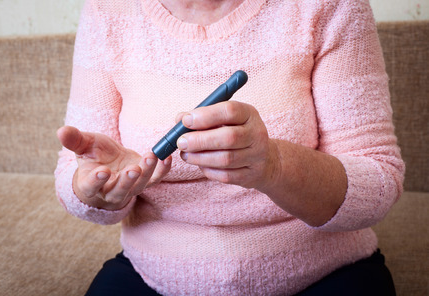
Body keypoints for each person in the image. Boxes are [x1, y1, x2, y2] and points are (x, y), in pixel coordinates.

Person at [54, 0, 405, 295]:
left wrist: (275, 165)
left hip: (325, 274)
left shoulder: (331, 6)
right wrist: (98, 189)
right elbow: (73, 176)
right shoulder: (107, 11)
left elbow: (379, 182)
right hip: (151, 277)